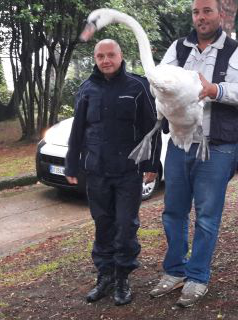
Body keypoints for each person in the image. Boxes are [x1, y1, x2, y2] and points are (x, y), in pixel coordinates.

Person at [149, 0, 238, 307]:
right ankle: (174, 271)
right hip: (180, 143)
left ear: (219, 15)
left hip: (217, 146)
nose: (201, 18)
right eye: (196, 12)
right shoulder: (178, 49)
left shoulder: (236, 51)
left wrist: (213, 90)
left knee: (207, 216)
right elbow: (159, 79)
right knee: (173, 212)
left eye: (207, 11)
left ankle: (197, 277)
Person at [64, 39, 161, 306]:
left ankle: (122, 277)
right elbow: (78, 131)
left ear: (120, 56)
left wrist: (152, 164)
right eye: (100, 56)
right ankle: (104, 275)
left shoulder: (138, 86)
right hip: (97, 170)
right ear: (95, 59)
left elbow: (150, 129)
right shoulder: (86, 89)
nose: (106, 60)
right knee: (103, 223)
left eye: (111, 55)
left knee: (126, 225)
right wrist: (72, 164)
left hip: (128, 171)